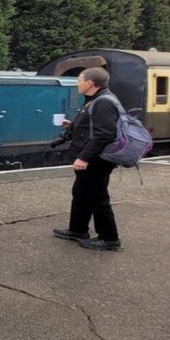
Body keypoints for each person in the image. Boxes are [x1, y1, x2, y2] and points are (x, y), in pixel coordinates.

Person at [52, 67, 122, 251]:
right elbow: (92, 125)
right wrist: (73, 125)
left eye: (79, 81)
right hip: (91, 158)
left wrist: (84, 158)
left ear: (90, 83)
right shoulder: (95, 100)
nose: (77, 84)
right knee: (81, 193)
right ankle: (78, 230)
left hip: (96, 160)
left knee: (98, 198)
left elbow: (104, 133)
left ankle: (109, 239)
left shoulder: (103, 102)